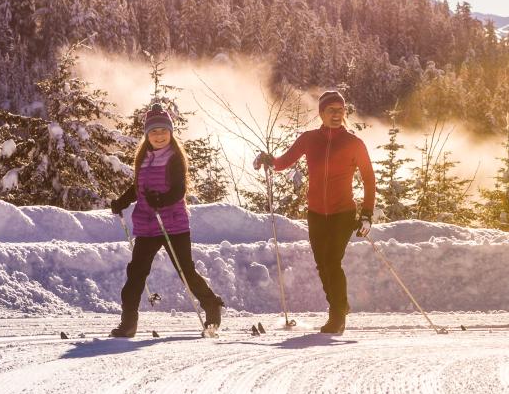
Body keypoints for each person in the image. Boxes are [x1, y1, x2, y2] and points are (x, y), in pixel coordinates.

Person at [254, 90, 375, 334]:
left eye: (340, 110)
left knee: (332, 262)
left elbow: (369, 179)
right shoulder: (309, 139)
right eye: (331, 110)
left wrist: (366, 215)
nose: (336, 114)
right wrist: (267, 159)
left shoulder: (354, 143)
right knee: (322, 264)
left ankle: (337, 315)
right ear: (321, 113)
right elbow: (282, 162)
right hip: (316, 213)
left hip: (343, 213)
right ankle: (340, 305)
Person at [109, 107, 224, 337]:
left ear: (170, 132)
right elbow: (138, 187)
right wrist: (122, 201)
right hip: (147, 225)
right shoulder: (143, 158)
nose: (159, 135)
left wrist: (162, 200)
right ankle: (128, 323)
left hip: (173, 225)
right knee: (135, 274)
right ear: (147, 134)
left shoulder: (174, 158)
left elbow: (179, 190)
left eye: (163, 130)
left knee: (186, 271)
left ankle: (212, 305)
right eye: (154, 131)